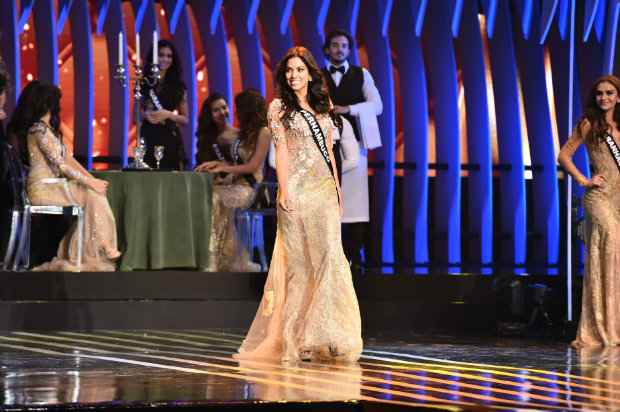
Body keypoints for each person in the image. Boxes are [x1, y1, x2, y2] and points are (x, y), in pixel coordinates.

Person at [235, 47, 363, 362]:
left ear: (309, 73)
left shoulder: (323, 105)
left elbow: (330, 153)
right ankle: (302, 335)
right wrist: (284, 191)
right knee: (300, 264)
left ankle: (331, 333)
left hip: (323, 192)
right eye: (289, 70)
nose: (294, 75)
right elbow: (282, 153)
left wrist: (338, 191)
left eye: (299, 69)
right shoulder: (279, 108)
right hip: (297, 192)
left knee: (329, 258)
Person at [8, 80, 120, 271]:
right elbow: (61, 165)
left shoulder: (48, 130)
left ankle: (96, 248)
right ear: (48, 103)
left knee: (92, 193)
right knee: (90, 193)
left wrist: (92, 179)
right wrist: (89, 183)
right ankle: (103, 245)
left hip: (53, 184)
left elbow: (68, 160)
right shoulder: (38, 130)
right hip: (43, 188)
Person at [558, 75, 620, 347]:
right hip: (599, 198)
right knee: (611, 248)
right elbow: (563, 156)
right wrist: (584, 181)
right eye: (599, 93)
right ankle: (602, 329)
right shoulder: (588, 124)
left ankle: (613, 324)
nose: (603, 97)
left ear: (618, 97)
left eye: (609, 93)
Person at [321, 29, 383, 272]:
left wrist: (349, 109)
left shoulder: (361, 74)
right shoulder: (317, 76)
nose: (339, 50)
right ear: (327, 49)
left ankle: (353, 258)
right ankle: (329, 260)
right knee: (327, 204)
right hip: (323, 146)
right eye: (335, 45)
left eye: (344, 46)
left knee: (355, 205)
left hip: (354, 146)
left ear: (349, 50)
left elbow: (377, 105)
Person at [195, 89, 270, 272]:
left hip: (252, 188)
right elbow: (238, 162)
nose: (233, 113)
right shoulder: (246, 133)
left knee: (215, 199)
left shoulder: (264, 132)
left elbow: (252, 167)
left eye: (237, 108)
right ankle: (218, 257)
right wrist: (216, 164)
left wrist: (224, 168)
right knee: (208, 197)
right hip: (236, 185)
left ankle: (214, 259)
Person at [141, 39, 188, 170]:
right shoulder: (144, 83)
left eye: (169, 56)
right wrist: (146, 116)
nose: (165, 59)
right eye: (161, 55)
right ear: (154, 57)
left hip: (169, 137)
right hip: (148, 136)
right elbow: (136, 115)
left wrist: (167, 114)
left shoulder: (179, 87)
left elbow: (185, 120)